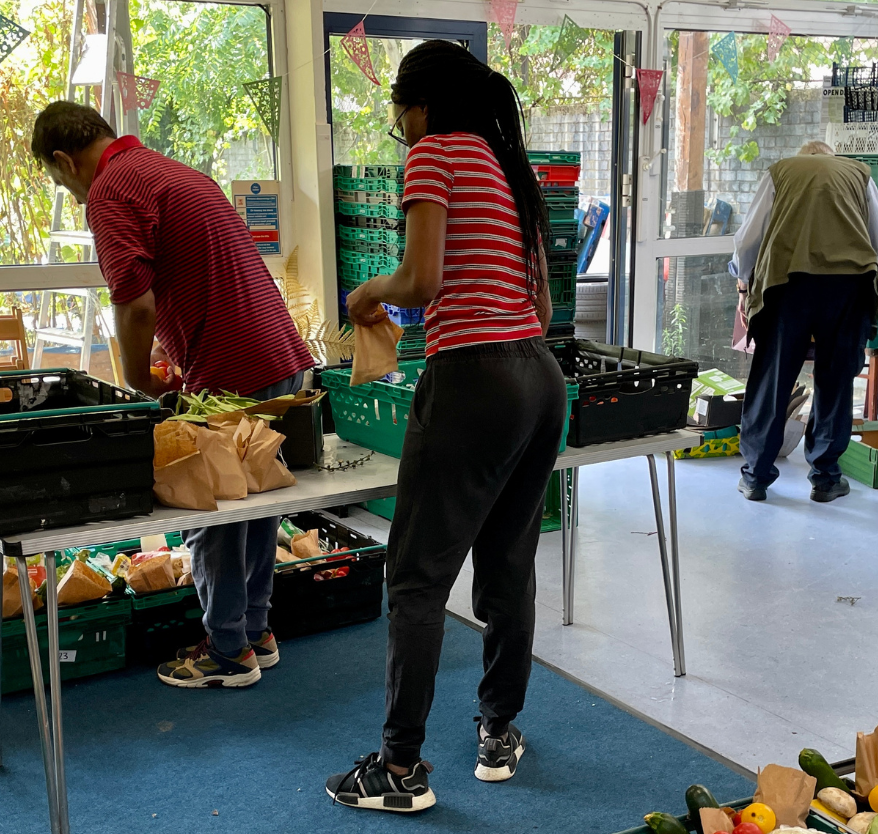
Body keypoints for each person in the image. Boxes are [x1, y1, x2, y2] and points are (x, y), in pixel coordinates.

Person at [324, 41, 567, 813]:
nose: (400, 127)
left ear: (419, 104)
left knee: (418, 579)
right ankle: (498, 729)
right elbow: (544, 304)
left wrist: (366, 295)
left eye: (399, 112)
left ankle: (397, 770)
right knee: (507, 565)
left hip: (471, 380)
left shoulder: (435, 154)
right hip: (537, 375)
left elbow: (421, 282)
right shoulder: (508, 166)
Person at [29, 101, 315, 682]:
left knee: (207, 508)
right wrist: (171, 344)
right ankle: (255, 631)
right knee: (255, 506)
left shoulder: (110, 192)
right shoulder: (169, 171)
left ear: (65, 160)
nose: (76, 197)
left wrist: (136, 382)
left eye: (63, 183)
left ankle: (226, 652)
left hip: (230, 371)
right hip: (280, 356)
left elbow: (134, 305)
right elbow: (194, 276)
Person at [729, 140, 878, 504]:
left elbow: (747, 241)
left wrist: (744, 282)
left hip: (786, 284)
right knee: (835, 381)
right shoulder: (859, 174)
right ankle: (825, 478)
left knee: (773, 379)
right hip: (848, 287)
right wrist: (877, 294)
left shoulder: (782, 170)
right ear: (831, 158)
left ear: (802, 156)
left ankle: (756, 477)